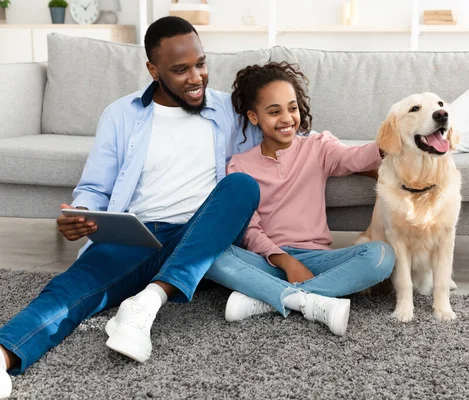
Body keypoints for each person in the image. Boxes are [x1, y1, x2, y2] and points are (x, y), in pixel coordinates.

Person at [0, 16, 263, 398]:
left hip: (204, 235)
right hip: (140, 234)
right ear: (153, 70)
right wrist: (81, 214)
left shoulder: (231, 110)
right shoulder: (121, 115)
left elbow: (292, 137)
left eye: (200, 63)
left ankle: (146, 302)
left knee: (241, 186)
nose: (196, 77)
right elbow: (93, 187)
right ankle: (3, 356)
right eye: (180, 69)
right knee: (68, 291)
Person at [204, 62, 396, 337]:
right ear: (254, 117)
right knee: (211, 254)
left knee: (381, 256)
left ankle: (268, 299)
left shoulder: (318, 146)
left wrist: (388, 141)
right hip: (267, 261)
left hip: (316, 260)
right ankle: (310, 300)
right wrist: (285, 261)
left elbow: (352, 158)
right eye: (274, 111)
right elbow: (250, 230)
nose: (286, 118)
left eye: (292, 108)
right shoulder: (240, 165)